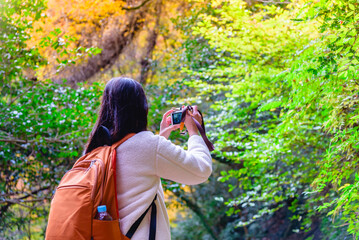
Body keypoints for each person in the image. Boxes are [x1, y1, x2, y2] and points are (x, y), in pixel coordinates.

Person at [84, 77, 212, 240]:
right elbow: (201, 170)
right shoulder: (148, 145)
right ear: (141, 108)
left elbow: (139, 175)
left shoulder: (95, 149)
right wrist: (194, 130)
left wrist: (162, 135)